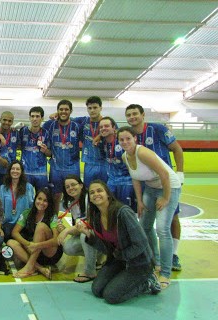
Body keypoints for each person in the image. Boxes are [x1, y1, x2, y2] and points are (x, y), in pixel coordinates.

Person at [75, 180, 160, 304]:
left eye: (99, 190)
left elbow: (141, 243)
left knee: (111, 296)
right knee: (97, 290)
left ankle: (147, 283)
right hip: (119, 260)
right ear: (90, 199)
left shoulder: (123, 212)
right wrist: (88, 234)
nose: (95, 194)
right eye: (92, 193)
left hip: (139, 263)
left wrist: (121, 256)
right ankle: (123, 278)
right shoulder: (97, 217)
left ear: (108, 194)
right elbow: (107, 249)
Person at [118, 126, 181, 289]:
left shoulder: (142, 152)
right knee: (144, 226)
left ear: (135, 139)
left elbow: (165, 174)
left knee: (162, 228)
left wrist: (166, 198)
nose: (125, 142)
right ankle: (156, 262)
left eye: (128, 139)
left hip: (169, 187)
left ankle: (165, 273)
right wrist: (139, 201)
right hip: (150, 188)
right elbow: (136, 179)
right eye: (122, 140)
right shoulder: (125, 156)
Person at [125, 104, 184, 271]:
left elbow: (177, 149)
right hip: (147, 183)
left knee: (171, 218)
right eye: (128, 115)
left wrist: (180, 172)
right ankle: (154, 258)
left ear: (143, 115)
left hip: (165, 182)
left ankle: (173, 254)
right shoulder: (129, 137)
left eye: (135, 114)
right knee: (146, 222)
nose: (132, 117)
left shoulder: (157, 129)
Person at [8, 188, 63, 280]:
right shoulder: (27, 213)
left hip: (49, 253)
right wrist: (28, 244)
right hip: (34, 251)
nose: (41, 202)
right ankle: (39, 268)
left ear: (49, 203)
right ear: (35, 199)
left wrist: (36, 245)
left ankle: (29, 267)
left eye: (45, 200)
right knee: (10, 242)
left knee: (41, 226)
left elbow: (56, 241)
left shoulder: (52, 216)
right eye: (39, 199)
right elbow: (15, 232)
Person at [57, 175, 99, 283]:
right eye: (67, 187)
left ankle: (90, 272)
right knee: (68, 247)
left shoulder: (89, 198)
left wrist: (67, 230)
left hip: (100, 235)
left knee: (85, 235)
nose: (70, 188)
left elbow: (89, 224)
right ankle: (96, 258)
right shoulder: (71, 203)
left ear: (81, 185)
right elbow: (78, 226)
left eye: (73, 185)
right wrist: (63, 228)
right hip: (92, 236)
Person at [43, 100, 81, 213]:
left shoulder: (77, 126)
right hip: (56, 168)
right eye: (61, 109)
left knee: (75, 195)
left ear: (71, 111)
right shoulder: (50, 125)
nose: (63, 111)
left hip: (73, 167)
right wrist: (46, 151)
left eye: (66, 109)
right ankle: (54, 219)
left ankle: (77, 219)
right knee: (55, 196)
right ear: (57, 111)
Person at [98, 117, 136, 211]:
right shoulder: (102, 143)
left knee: (126, 210)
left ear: (114, 128)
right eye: (101, 127)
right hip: (111, 182)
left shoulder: (123, 142)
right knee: (110, 209)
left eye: (106, 126)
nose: (103, 128)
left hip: (127, 182)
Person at [75, 96, 107, 187]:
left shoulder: (107, 122)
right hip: (89, 163)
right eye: (90, 108)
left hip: (105, 163)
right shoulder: (83, 122)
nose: (92, 110)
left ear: (101, 108)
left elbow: (116, 134)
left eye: (95, 107)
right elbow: (67, 119)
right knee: (89, 190)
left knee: (105, 190)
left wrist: (100, 135)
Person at [0, 160, 35, 241]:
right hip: (8, 224)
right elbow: (0, 209)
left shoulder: (28, 187)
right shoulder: (3, 188)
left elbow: (31, 206)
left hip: (22, 224)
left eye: (18, 169)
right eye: (13, 169)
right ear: (9, 171)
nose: (15, 171)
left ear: (21, 172)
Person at [18, 107, 51, 192]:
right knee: (25, 198)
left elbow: (50, 153)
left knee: (42, 198)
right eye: (32, 116)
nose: (34, 119)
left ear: (42, 118)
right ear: (29, 118)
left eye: (37, 116)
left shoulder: (46, 133)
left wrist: (45, 151)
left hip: (41, 173)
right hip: (25, 172)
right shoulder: (22, 131)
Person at [0, 111, 19, 184]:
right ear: (0, 119)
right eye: (4, 120)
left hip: (11, 172)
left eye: (9, 121)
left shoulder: (16, 133)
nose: (7, 122)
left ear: (12, 122)